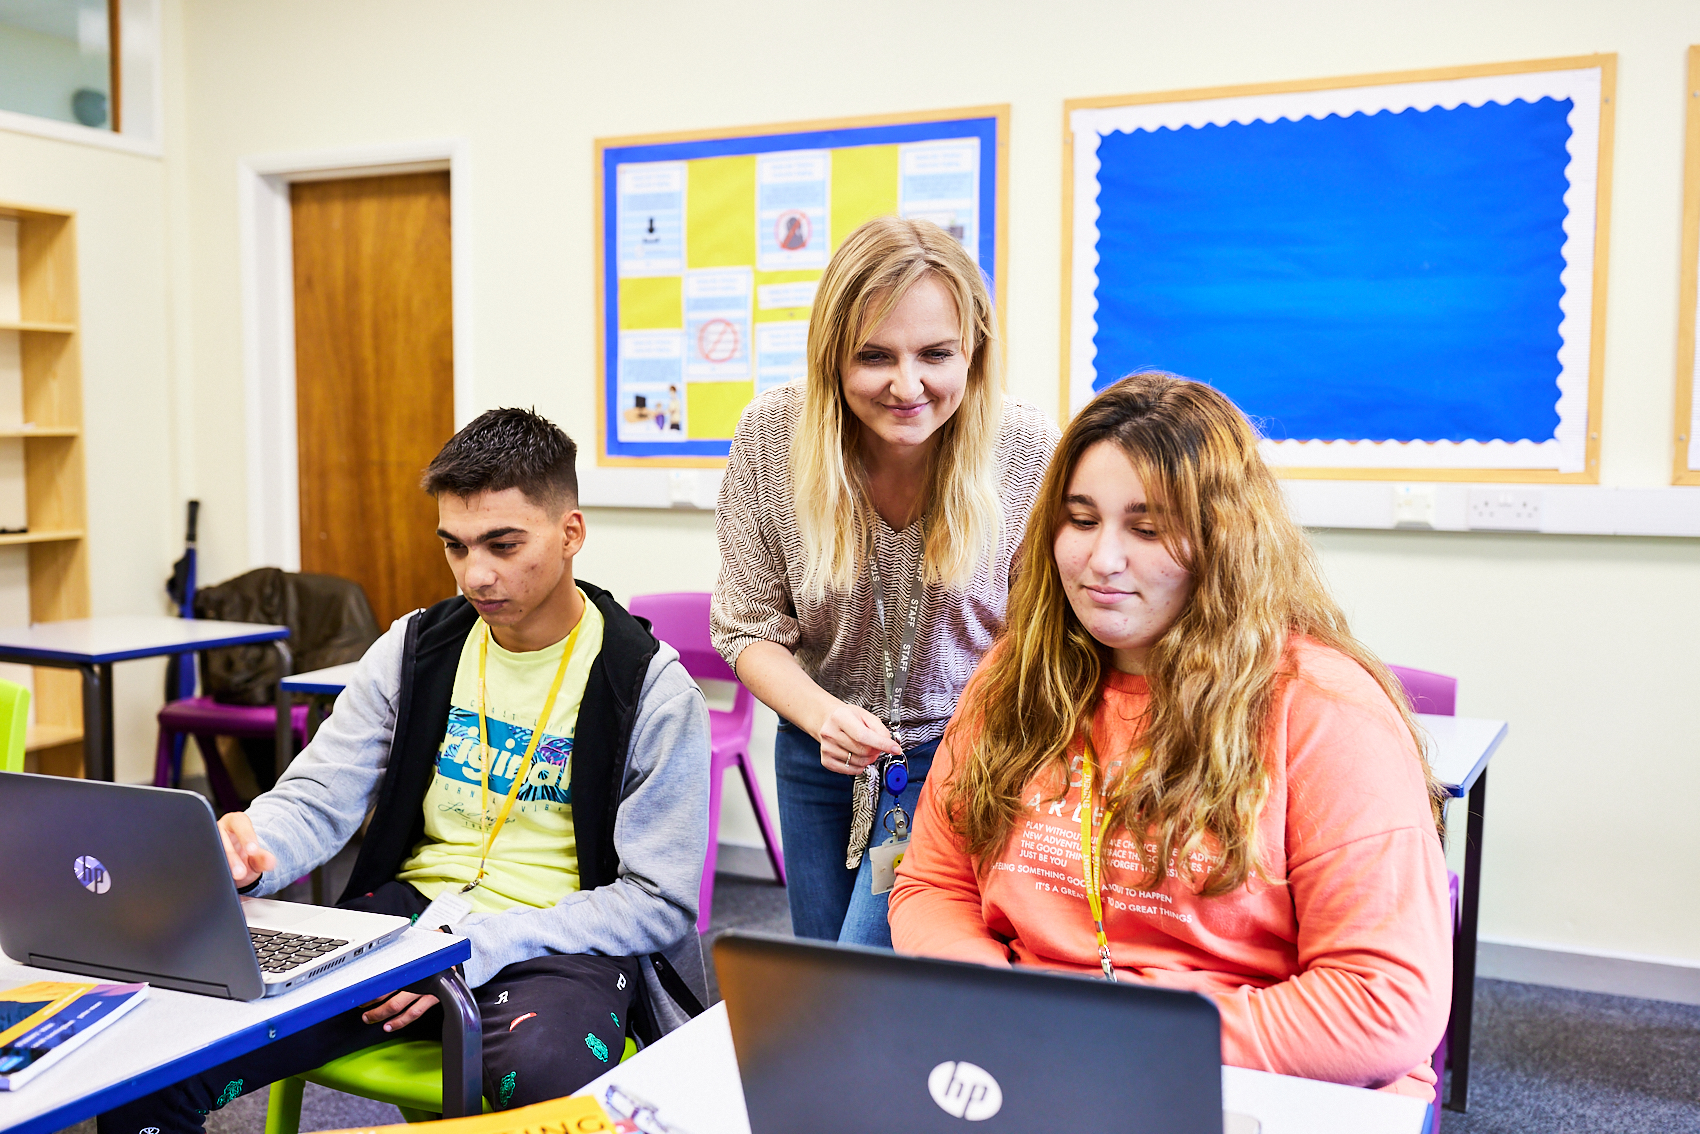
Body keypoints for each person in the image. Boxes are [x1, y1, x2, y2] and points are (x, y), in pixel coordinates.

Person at [101, 409, 709, 1134]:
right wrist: (252, 846)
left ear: (571, 533)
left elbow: (657, 899)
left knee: (555, 1092)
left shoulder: (648, 685)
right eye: (455, 546)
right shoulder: (416, 648)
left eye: (503, 544)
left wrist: (479, 945)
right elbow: (318, 796)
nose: (475, 574)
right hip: (406, 921)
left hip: (555, 940)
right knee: (153, 1059)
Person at [888, 373, 1452, 1101]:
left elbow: (1384, 1002)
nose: (1102, 560)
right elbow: (935, 883)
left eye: (1147, 529)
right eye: (1081, 519)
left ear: (1224, 542)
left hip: (1254, 1077)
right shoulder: (1012, 681)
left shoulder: (1323, 712)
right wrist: (1006, 1015)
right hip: (1036, 1058)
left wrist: (1129, 1041)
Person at [712, 216, 1059, 946]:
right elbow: (746, 627)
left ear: (974, 354)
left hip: (962, 756)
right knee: (821, 978)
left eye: (936, 354)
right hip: (819, 749)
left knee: (874, 969)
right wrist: (820, 716)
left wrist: (973, 744)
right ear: (832, 356)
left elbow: (1042, 638)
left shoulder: (1025, 448)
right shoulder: (772, 436)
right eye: (874, 356)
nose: (908, 386)